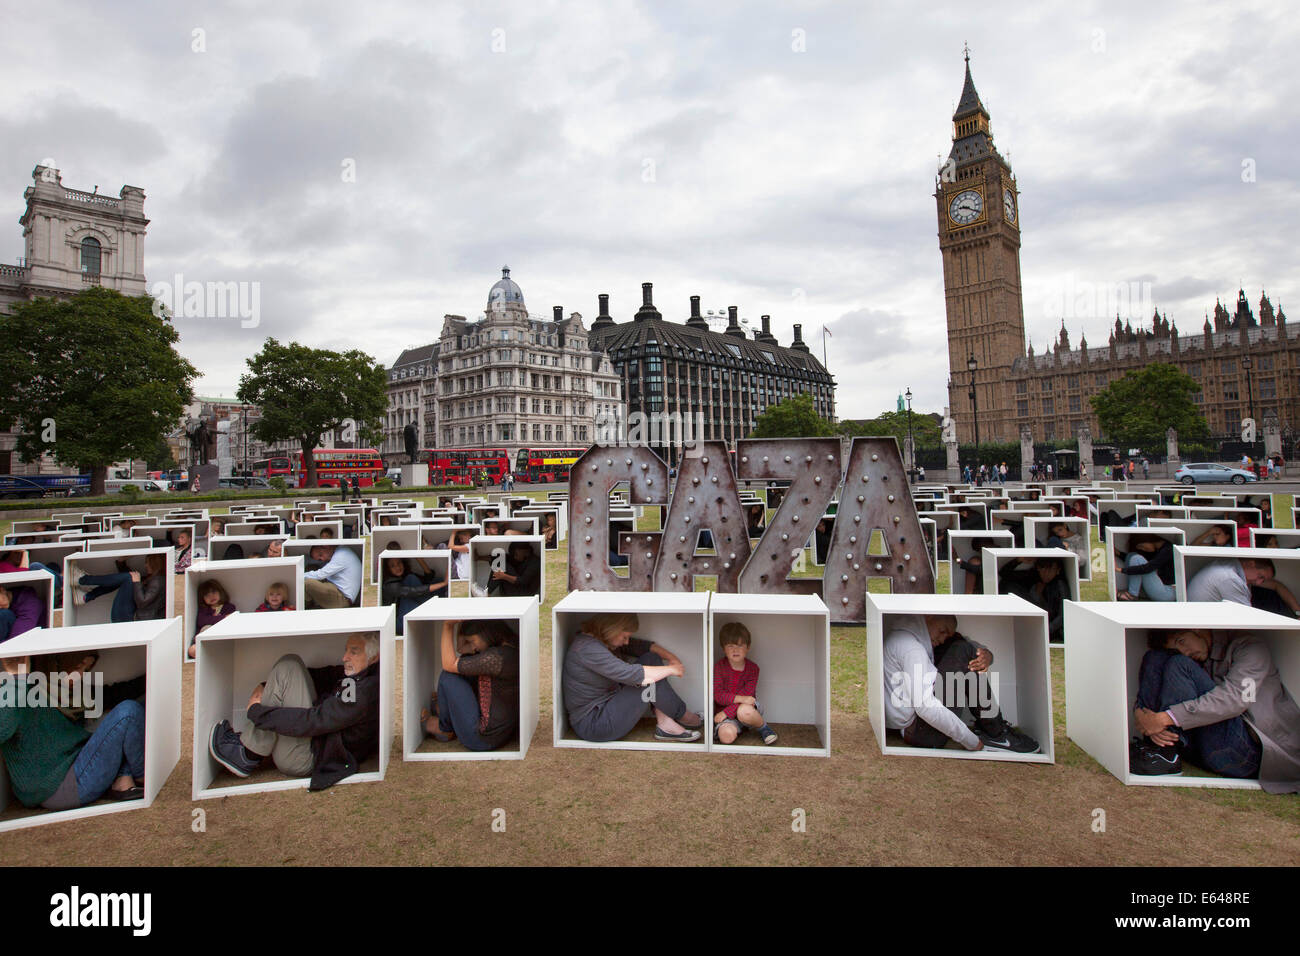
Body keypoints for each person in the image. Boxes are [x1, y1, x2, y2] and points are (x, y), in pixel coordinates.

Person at [1129, 628, 1300, 792]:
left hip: (1246, 754)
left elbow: (1235, 700)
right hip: (1204, 747)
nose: (1185, 651)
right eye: (1178, 648)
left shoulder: (1251, 648)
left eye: (1181, 641)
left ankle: (1167, 755)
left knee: (1180, 663)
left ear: (1197, 628)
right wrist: (1141, 712)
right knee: (1156, 657)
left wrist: (1165, 718)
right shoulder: (1196, 656)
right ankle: (1159, 749)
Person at [207, 632, 381, 790]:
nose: (344, 657)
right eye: (346, 650)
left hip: (307, 758)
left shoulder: (362, 693)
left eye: (354, 652)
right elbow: (323, 675)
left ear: (374, 658)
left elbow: (312, 721)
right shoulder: (360, 675)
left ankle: (247, 754)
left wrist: (257, 712)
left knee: (287, 668)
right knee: (291, 663)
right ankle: (251, 747)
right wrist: (266, 685)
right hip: (316, 742)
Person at [0, 653, 149, 808]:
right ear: (56, 666)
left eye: (86, 669)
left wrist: (152, 675)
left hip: (79, 762)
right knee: (129, 712)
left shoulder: (68, 694)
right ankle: (141, 775)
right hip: (58, 785)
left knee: (144, 705)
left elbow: (117, 693)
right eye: (77, 667)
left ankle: (122, 779)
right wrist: (17, 677)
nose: (79, 675)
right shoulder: (17, 692)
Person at [882, 614, 1039, 753]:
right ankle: (996, 732)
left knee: (962, 647)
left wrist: (987, 655)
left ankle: (991, 727)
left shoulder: (905, 636)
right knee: (963, 650)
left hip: (911, 728)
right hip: (921, 733)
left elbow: (963, 642)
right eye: (943, 631)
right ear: (928, 616)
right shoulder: (912, 649)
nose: (943, 638)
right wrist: (970, 741)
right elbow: (925, 707)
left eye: (947, 635)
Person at [562, 612, 704, 742]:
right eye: (625, 637)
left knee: (651, 659)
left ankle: (666, 723)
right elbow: (633, 675)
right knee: (648, 679)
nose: (626, 642)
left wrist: (672, 658)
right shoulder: (588, 649)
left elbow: (642, 647)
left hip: (608, 705)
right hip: (594, 723)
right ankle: (685, 717)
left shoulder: (601, 641)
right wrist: (671, 669)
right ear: (612, 629)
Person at [418, 619, 520, 751]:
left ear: (486, 633)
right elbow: (461, 649)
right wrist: (462, 624)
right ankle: (447, 715)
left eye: (471, 641)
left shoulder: (497, 658)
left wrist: (448, 626)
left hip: (482, 738)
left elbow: (449, 664)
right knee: (464, 661)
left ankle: (445, 728)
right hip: (498, 733)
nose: (471, 647)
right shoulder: (507, 648)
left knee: (448, 676)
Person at [713, 622, 778, 745]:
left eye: (740, 645)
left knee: (745, 712)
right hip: (726, 715)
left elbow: (748, 699)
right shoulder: (719, 667)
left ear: (748, 647)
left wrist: (726, 712)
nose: (735, 650)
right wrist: (728, 712)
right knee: (726, 737)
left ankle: (764, 728)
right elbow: (719, 696)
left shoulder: (753, 669)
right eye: (730, 646)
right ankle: (740, 727)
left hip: (747, 709)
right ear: (723, 648)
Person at [1187, 556, 1299, 616]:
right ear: (1251, 563)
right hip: (1201, 626)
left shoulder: (1231, 567)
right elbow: (1248, 618)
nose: (1259, 582)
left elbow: (1275, 585)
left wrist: (1298, 611)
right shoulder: (1230, 579)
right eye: (1260, 576)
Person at [72, 554, 166, 624]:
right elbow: (128, 581)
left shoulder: (158, 581)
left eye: (147, 563)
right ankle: (85, 596)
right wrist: (121, 562)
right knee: (128, 578)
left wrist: (136, 582)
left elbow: (143, 602)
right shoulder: (154, 578)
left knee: (129, 578)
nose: (145, 565)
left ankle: (82, 580)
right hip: (130, 617)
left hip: (130, 620)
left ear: (155, 564)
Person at [998, 556, 1069, 643]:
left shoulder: (1060, 585)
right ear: (1038, 568)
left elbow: (1062, 615)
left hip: (1048, 625)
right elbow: (1004, 574)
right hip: (1031, 618)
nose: (1046, 573)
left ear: (1058, 570)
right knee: (1007, 585)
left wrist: (1045, 630)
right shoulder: (1033, 577)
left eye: (1051, 569)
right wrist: (1018, 560)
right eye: (1043, 568)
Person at [380, 554, 446, 635]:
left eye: (399, 563)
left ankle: (436, 602)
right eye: (393, 566)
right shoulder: (390, 585)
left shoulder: (405, 576)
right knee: (413, 581)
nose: (397, 567)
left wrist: (417, 556)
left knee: (435, 581)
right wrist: (443, 584)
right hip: (398, 623)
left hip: (408, 611)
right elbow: (413, 591)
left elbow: (428, 577)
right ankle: (438, 603)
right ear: (388, 569)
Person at [1116, 534, 1177, 602]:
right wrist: (1118, 553)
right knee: (1131, 555)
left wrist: (1120, 570)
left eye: (1141, 546)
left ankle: (1131, 595)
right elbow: (1138, 563)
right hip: (1159, 589)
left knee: (1136, 558)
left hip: (1168, 593)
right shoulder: (1158, 550)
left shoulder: (1168, 549)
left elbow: (1147, 568)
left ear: (1147, 539)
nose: (1143, 549)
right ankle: (1132, 593)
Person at [303, 544, 362, 609]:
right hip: (335, 590)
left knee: (306, 583)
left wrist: (298, 575)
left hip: (342, 599)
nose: (323, 559)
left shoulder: (342, 555)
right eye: (320, 559)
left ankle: (303, 607)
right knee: (312, 568)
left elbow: (320, 575)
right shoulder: (341, 550)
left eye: (321, 555)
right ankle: (310, 603)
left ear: (326, 546)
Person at [192, 580, 237, 658]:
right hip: (204, 639)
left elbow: (229, 623)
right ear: (203, 599)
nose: (211, 597)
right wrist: (224, 617)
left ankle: (213, 653)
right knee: (192, 650)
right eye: (207, 595)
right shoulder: (204, 609)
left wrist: (216, 619)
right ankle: (207, 654)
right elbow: (202, 621)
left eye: (213, 592)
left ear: (220, 592)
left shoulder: (229, 607)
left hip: (221, 637)